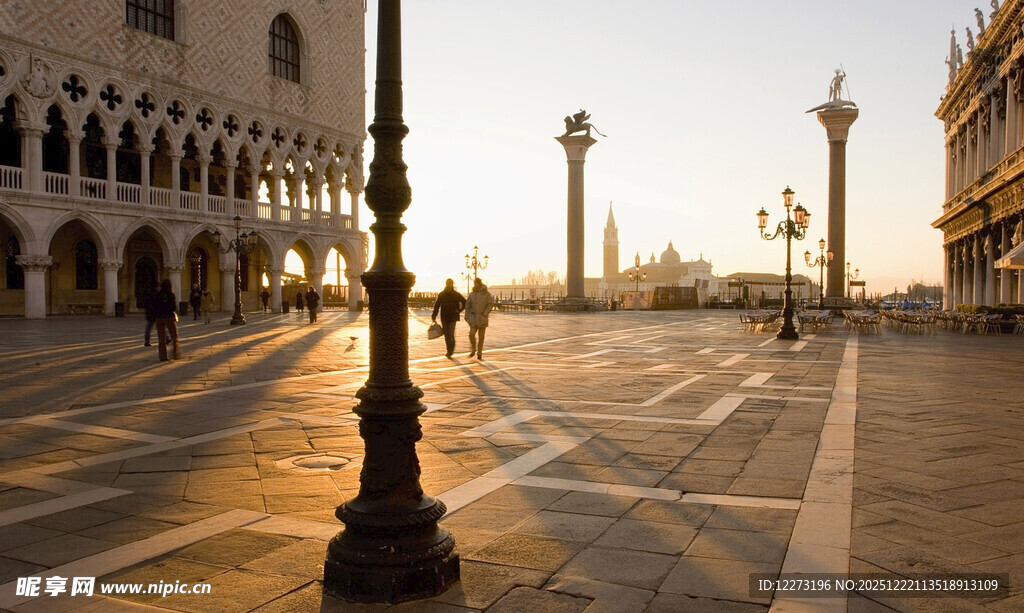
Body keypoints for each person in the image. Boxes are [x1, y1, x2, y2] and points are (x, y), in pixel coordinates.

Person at [431, 278, 466, 358]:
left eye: (450, 284)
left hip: (453, 317)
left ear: (452, 284)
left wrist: (459, 310)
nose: (449, 285)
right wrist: (434, 315)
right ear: (446, 284)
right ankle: (448, 350)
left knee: (451, 334)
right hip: (444, 317)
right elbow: (437, 305)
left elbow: (465, 302)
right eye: (448, 284)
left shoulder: (456, 294)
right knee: (446, 335)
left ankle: (451, 350)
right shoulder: (442, 294)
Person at [465, 278, 494, 359]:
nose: (475, 285)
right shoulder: (472, 294)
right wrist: (467, 316)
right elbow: (467, 305)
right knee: (471, 334)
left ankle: (479, 352)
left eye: (476, 283)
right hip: (473, 318)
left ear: (479, 283)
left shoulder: (486, 294)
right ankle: (473, 349)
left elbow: (490, 304)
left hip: (482, 317)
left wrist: (485, 313)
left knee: (481, 337)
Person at [153, 279, 180, 361]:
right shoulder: (171, 295)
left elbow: (154, 306)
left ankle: (163, 356)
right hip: (169, 317)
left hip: (159, 318)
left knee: (161, 339)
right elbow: (174, 307)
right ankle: (175, 354)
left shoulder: (158, 295)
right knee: (174, 337)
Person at [143, 281, 158, 346]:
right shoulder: (158, 293)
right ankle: (167, 338)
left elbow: (145, 303)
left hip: (150, 313)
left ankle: (147, 341)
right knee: (161, 326)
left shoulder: (148, 293)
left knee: (148, 328)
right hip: (157, 313)